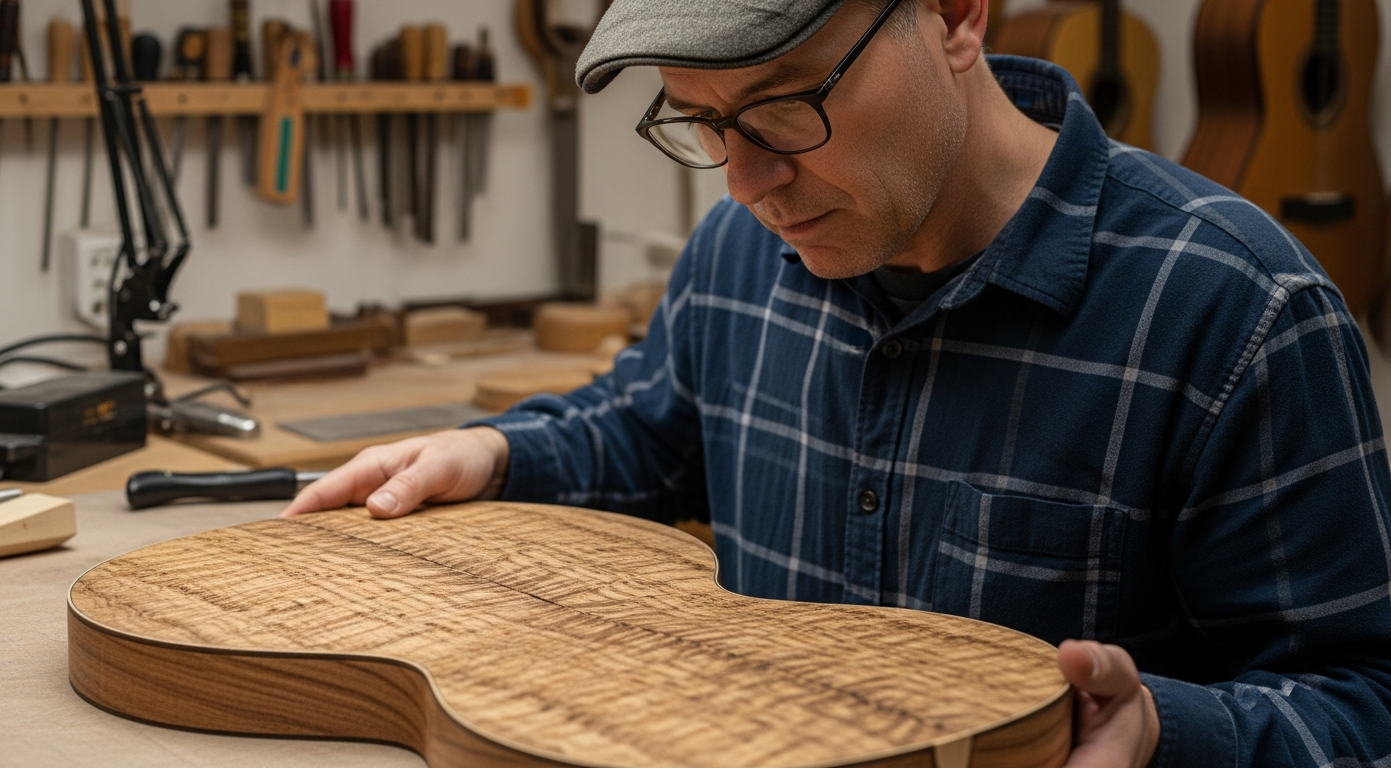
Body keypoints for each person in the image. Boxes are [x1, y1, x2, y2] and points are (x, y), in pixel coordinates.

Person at [282, 0, 1391, 765]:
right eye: (704, 122)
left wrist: (1166, 733)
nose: (749, 181)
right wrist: (497, 451)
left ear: (956, 15)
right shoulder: (744, 250)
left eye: (781, 109)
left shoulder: (1238, 311)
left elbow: (1365, 702)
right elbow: (654, 430)